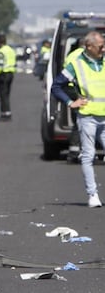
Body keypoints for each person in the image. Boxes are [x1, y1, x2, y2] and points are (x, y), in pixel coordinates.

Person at [51, 31, 105, 208]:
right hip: (88, 117)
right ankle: (93, 195)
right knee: (88, 156)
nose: (103, 49)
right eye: (100, 47)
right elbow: (56, 86)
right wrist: (70, 102)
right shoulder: (76, 64)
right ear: (89, 47)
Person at [63, 38, 85, 163]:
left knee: (78, 120)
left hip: (70, 90)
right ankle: (77, 151)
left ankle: (74, 150)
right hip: (81, 91)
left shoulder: (71, 55)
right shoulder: (87, 56)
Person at [0, 32, 16, 121]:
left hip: (4, 74)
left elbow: (0, 64)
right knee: (7, 94)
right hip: (11, 73)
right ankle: (7, 112)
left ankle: (5, 113)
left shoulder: (1, 51)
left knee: (3, 95)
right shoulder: (11, 50)